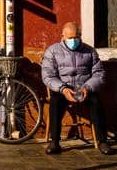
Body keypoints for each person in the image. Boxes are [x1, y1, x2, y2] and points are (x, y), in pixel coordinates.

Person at [41, 21, 110, 155]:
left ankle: (103, 141)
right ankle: (54, 142)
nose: (74, 40)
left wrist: (87, 88)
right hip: (63, 88)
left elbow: (99, 74)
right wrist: (63, 89)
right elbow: (48, 76)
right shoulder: (53, 51)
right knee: (55, 103)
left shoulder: (89, 51)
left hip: (84, 88)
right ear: (63, 37)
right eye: (70, 38)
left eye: (76, 37)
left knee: (96, 102)